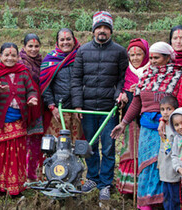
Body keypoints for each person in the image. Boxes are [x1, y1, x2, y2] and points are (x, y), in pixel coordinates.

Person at [111, 41, 182, 209]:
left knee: (162, 165)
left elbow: (179, 102)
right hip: (146, 129)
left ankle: (163, 201)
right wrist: (123, 123)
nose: (152, 61)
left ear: (167, 58)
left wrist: (165, 120)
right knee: (145, 165)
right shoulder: (146, 75)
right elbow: (137, 102)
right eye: (150, 58)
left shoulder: (177, 75)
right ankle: (146, 202)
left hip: (166, 129)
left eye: (156, 58)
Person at [71, 11, 128, 200]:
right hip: (87, 107)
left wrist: (117, 95)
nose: (102, 31)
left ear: (110, 30)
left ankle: (105, 183)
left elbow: (122, 78)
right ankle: (93, 178)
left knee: (109, 146)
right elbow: (76, 79)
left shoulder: (120, 51)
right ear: (93, 30)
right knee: (90, 145)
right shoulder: (83, 51)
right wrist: (78, 105)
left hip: (108, 109)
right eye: (99, 27)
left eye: (106, 28)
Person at [0, 42, 40, 196]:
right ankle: (0, 187)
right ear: (0, 56)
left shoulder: (23, 72)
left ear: (18, 56)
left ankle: (16, 187)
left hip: (18, 121)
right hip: (0, 122)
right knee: (1, 155)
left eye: (13, 55)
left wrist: (32, 98)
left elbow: (31, 89)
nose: (10, 58)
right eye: (6, 55)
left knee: (18, 154)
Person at [116, 38, 149, 195]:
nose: (135, 58)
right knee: (130, 150)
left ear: (146, 55)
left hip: (148, 120)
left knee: (145, 151)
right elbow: (120, 86)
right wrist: (122, 93)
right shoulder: (126, 71)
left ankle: (143, 188)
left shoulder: (151, 72)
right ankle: (129, 189)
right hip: (130, 120)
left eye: (139, 54)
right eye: (132, 55)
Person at [40, 28, 83, 142]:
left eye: (68, 39)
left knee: (78, 147)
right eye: (62, 40)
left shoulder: (81, 57)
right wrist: (52, 106)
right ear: (57, 42)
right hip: (59, 111)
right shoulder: (50, 60)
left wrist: (80, 105)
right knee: (58, 147)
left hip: (78, 110)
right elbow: (45, 85)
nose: (65, 42)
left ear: (74, 40)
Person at [19, 33, 44, 182]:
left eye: (36, 46)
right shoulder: (19, 63)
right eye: (30, 46)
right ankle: (21, 175)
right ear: (24, 47)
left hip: (38, 108)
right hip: (24, 108)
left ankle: (33, 175)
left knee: (35, 142)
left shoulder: (43, 62)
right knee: (22, 143)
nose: (33, 49)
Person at [157, 96, 180, 210]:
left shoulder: (176, 128)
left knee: (175, 198)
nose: (165, 113)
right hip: (164, 168)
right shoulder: (163, 126)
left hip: (173, 168)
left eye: (168, 109)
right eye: (162, 109)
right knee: (166, 195)